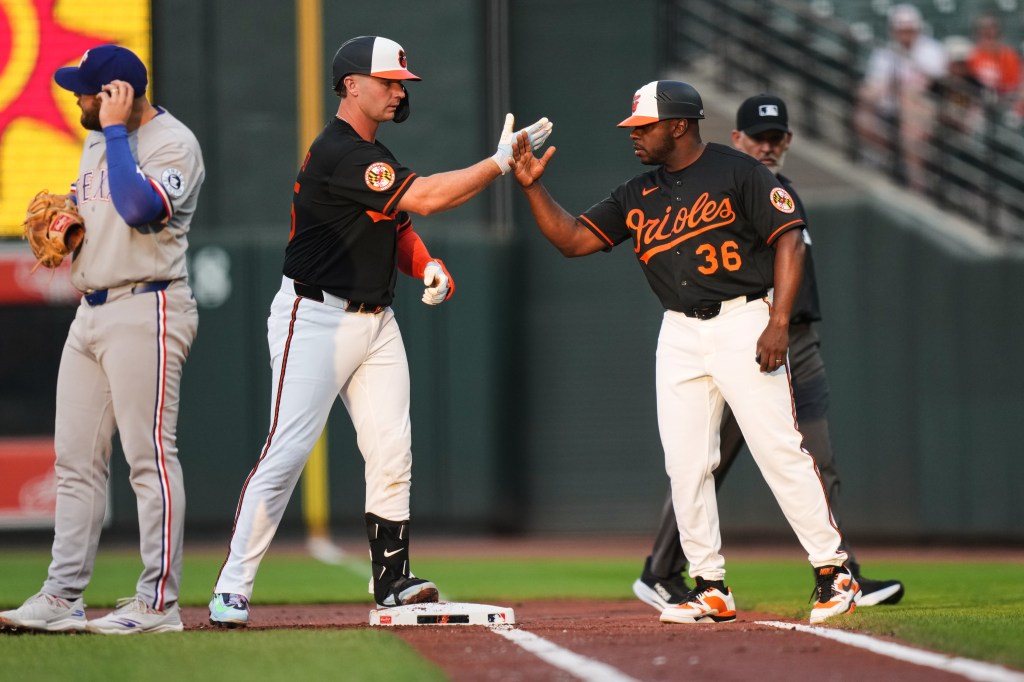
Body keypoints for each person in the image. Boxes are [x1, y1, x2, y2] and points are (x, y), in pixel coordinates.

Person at [207, 35, 552, 628]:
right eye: (389, 81)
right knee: (286, 452)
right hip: (312, 318)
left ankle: (392, 579)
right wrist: (498, 162)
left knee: (392, 450)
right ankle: (231, 585)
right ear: (351, 86)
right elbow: (427, 197)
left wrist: (427, 264)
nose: (398, 90)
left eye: (401, 83)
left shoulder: (374, 153)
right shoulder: (339, 152)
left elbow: (398, 224)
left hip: (376, 319)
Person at [510, 80, 859, 625]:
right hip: (678, 332)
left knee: (779, 450)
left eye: (643, 127)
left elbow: (788, 235)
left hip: (744, 317)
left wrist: (777, 322)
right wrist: (532, 188)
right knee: (686, 464)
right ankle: (710, 585)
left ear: (679, 124)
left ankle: (833, 573)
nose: (635, 137)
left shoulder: (739, 171)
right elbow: (575, 240)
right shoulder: (637, 192)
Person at [631, 94, 905, 615]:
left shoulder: (779, 190)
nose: (768, 145)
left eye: (776, 137)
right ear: (735, 139)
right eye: (758, 137)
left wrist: (781, 324)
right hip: (744, 334)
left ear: (788, 142)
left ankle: (840, 571)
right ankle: (665, 569)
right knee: (697, 461)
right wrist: (770, 322)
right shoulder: (729, 185)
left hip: (794, 339)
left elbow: (790, 251)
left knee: (810, 457)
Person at [0, 45, 205, 634]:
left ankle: (158, 604)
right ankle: (63, 596)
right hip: (90, 312)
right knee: (74, 460)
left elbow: (143, 209)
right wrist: (67, 229)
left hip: (149, 306)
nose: (76, 97)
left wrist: (116, 135)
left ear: (116, 93)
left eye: (86, 90)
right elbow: (100, 212)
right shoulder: (96, 142)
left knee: (149, 460)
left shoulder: (173, 143)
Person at [855, 3, 947, 191]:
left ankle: (917, 183)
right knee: (862, 114)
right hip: (890, 109)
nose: (906, 34)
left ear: (918, 29)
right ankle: (886, 157)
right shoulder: (885, 53)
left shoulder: (931, 50)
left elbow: (935, 86)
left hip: (923, 111)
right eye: (902, 30)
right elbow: (873, 87)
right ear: (893, 30)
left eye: (909, 29)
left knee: (910, 115)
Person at [966, 15, 1022, 103]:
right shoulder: (972, 56)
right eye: (984, 30)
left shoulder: (1009, 55)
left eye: (992, 29)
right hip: (978, 100)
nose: (989, 32)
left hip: (1005, 100)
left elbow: (1013, 83)